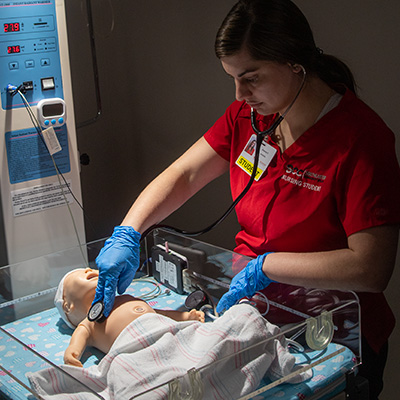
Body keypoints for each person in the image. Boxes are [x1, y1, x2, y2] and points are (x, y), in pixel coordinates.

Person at [92, 0, 400, 398]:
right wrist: (129, 232)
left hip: (332, 329)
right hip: (254, 315)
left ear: (295, 63)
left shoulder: (360, 140)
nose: (240, 93)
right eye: (233, 78)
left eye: (251, 77)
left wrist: (268, 267)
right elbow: (184, 175)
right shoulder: (250, 117)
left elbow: (371, 267)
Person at [55, 268, 205, 367]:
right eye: (81, 273)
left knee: (199, 350)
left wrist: (185, 316)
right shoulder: (88, 323)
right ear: (68, 306)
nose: (89, 269)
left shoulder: (126, 298)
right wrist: (72, 354)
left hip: (167, 332)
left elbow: (160, 313)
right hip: (136, 351)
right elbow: (77, 343)